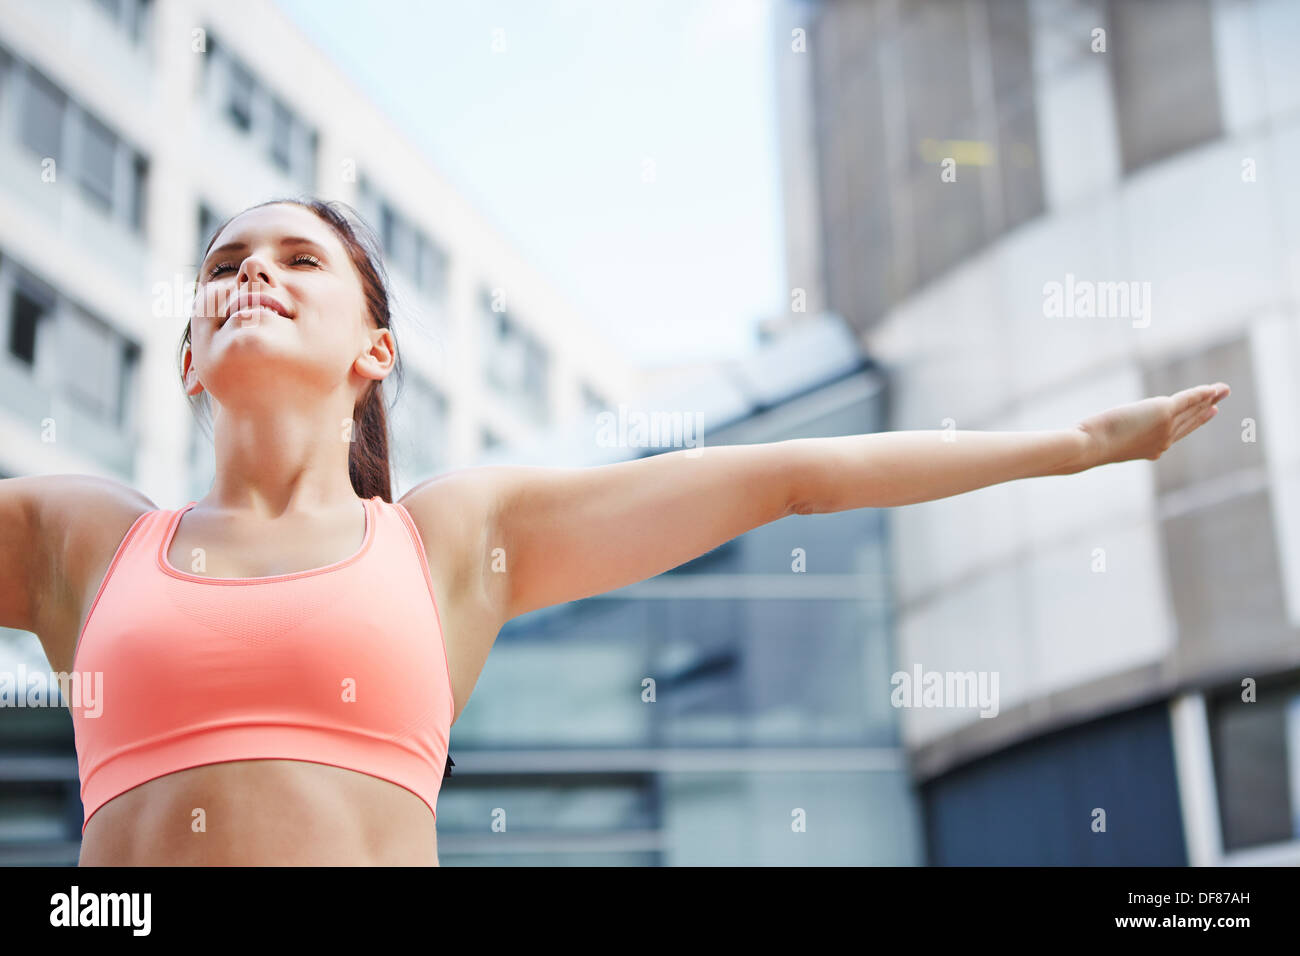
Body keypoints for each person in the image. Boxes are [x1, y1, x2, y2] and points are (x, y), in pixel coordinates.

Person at [0, 197, 1230, 866]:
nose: (250, 274)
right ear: (184, 358)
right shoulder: (86, 541)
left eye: (296, 258)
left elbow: (790, 476)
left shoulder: (445, 542)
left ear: (375, 352)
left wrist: (1070, 446)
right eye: (225, 262)